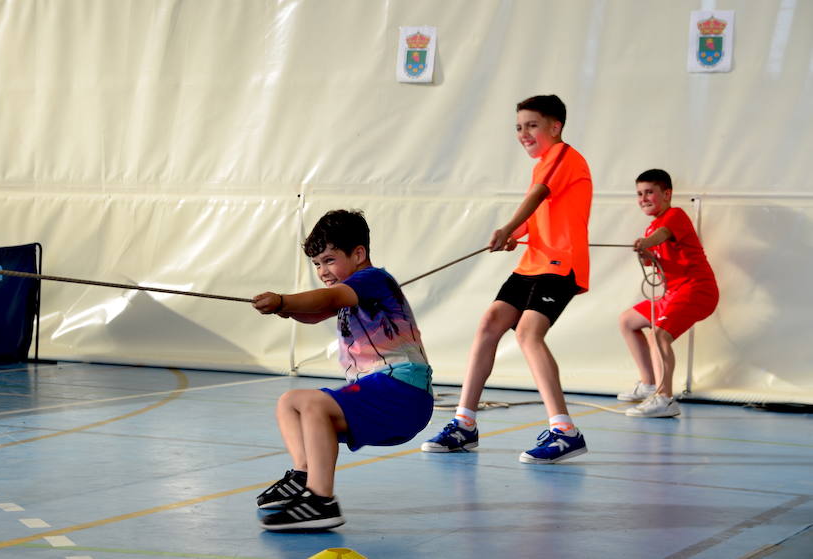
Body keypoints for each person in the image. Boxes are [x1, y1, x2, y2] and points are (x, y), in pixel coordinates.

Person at [421, 94, 593, 464]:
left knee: (528, 333)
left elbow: (539, 195)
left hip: (560, 265)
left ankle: (565, 431)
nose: (523, 133)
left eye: (532, 125)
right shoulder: (544, 163)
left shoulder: (563, 156)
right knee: (489, 324)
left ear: (554, 127)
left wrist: (507, 227)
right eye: (518, 127)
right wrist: (520, 234)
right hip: (533, 263)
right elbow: (544, 210)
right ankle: (464, 424)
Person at [252, 209, 433, 531]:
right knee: (290, 401)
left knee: (312, 402)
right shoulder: (350, 291)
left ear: (358, 253)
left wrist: (283, 300)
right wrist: (287, 309)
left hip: (402, 392)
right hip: (382, 392)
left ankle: (321, 501)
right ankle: (305, 475)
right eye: (317, 264)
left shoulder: (372, 280)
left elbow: (328, 297)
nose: (323, 271)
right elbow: (315, 311)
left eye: (329, 260)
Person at [617, 169, 718, 417]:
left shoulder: (674, 216)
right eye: (639, 194)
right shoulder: (653, 225)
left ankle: (665, 398)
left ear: (667, 193)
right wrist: (647, 254)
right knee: (627, 321)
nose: (643, 198)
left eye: (649, 192)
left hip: (697, 289)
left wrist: (647, 242)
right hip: (674, 292)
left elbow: (662, 235)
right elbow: (658, 257)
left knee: (659, 335)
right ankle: (649, 383)